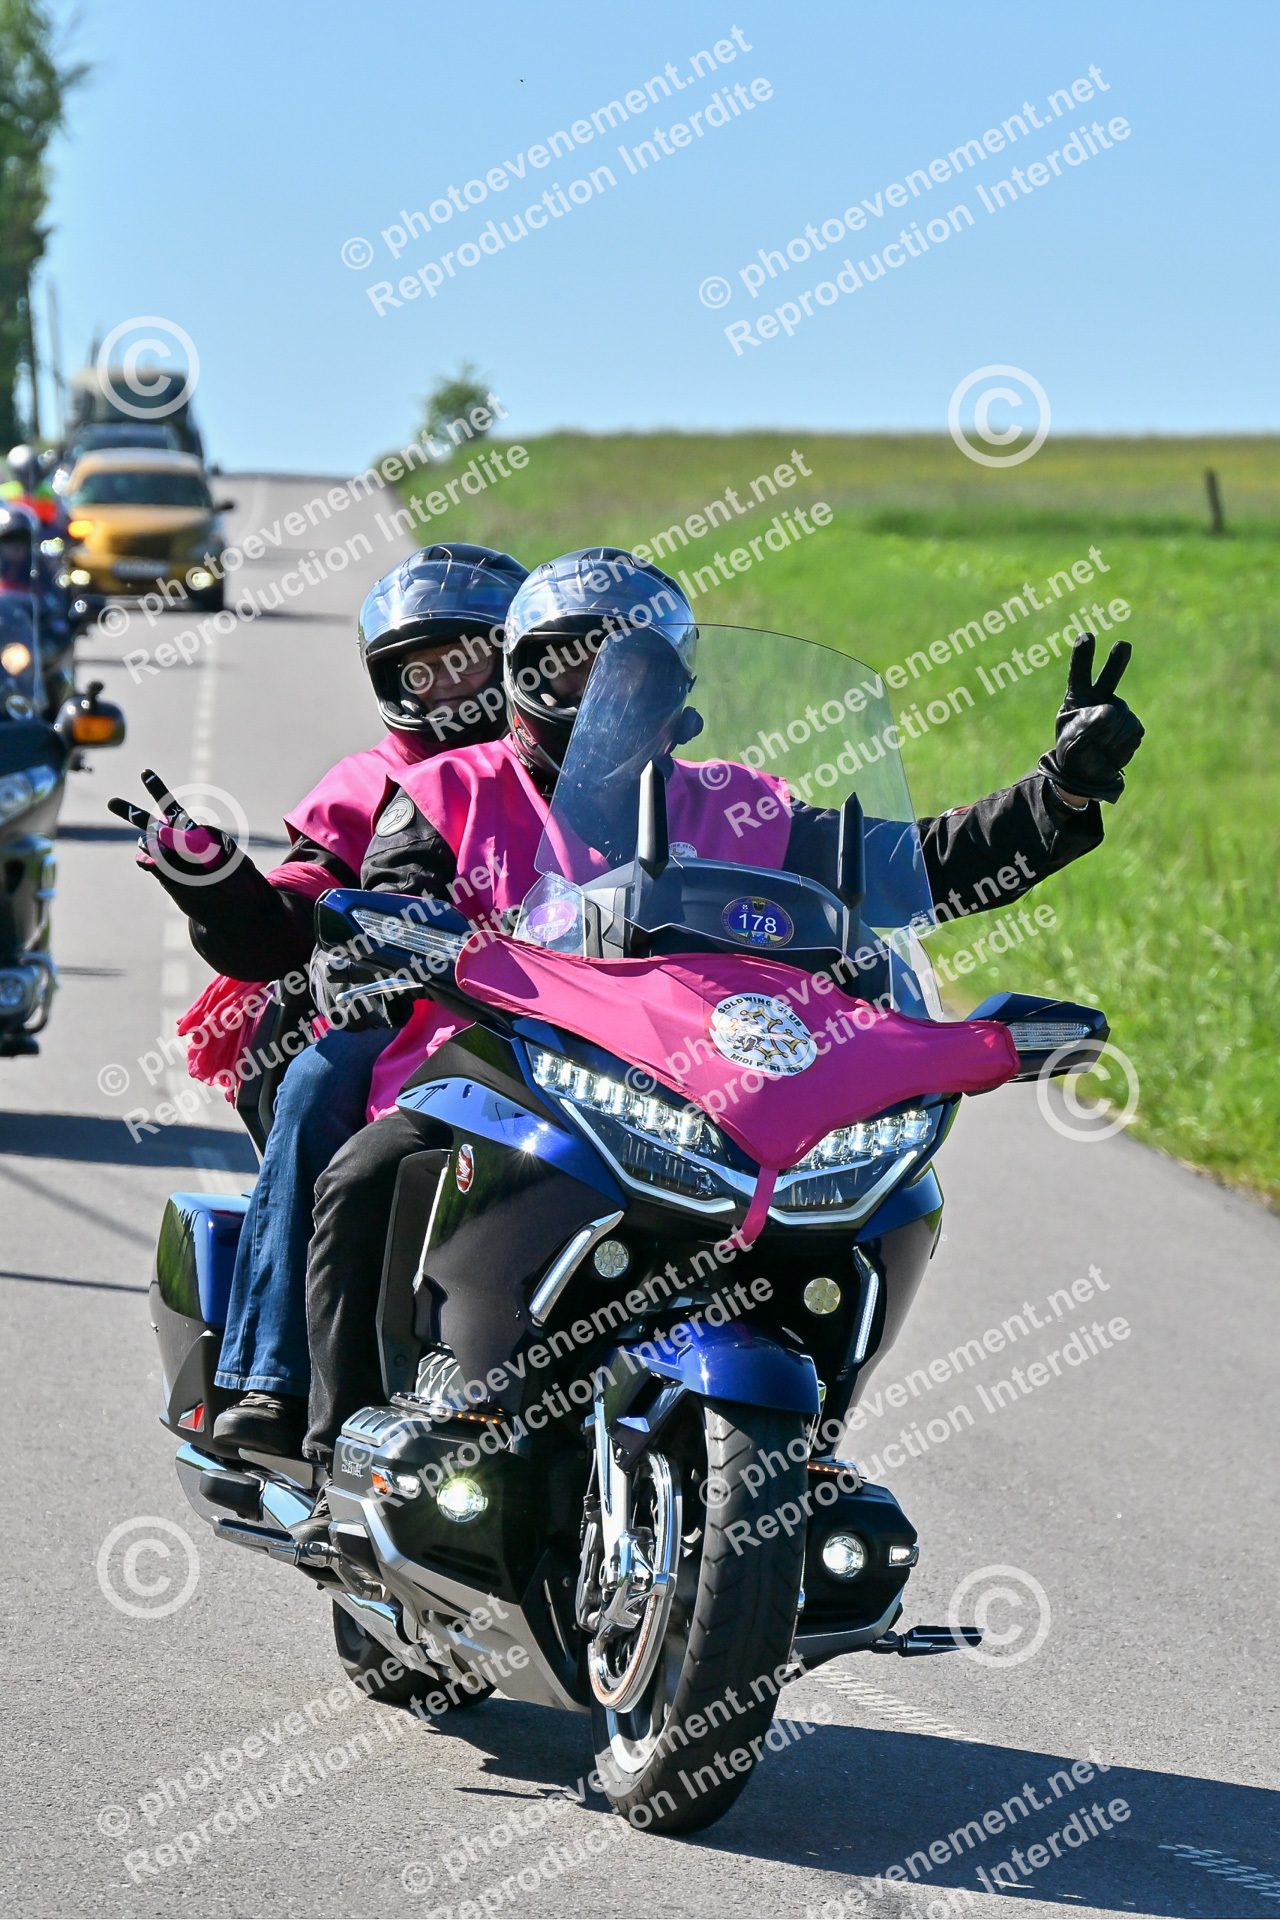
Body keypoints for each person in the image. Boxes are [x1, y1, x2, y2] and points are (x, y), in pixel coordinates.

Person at [297, 549, 1144, 1488]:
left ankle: (801, 1452)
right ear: (520, 675)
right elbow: (390, 905)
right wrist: (372, 949)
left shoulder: (741, 804)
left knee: (897, 1196)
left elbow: (919, 867)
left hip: (704, 1095)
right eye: (570, 667)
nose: (600, 693)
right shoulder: (448, 790)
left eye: (629, 671)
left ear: (675, 689)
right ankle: (334, 1454)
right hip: (492, 1074)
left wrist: (1059, 792)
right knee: (365, 1172)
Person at [109, 543, 528, 1456]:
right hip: (402, 1027)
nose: (450, 687)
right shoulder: (373, 781)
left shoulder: (586, 767)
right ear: (391, 679)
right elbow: (297, 906)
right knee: (317, 1080)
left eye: (470, 660)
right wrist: (224, 890)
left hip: (575, 1030)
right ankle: (274, 1377)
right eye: (424, 669)